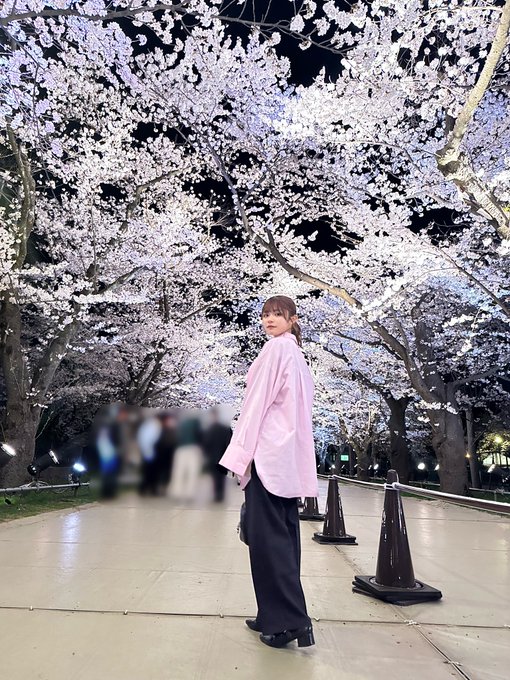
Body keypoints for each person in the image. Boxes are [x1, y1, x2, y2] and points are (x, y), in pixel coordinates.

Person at [219, 295, 318, 649]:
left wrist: (241, 455)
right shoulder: (297, 355)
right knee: (284, 538)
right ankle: (273, 614)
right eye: (265, 314)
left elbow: (255, 405)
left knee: (267, 542)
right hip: (287, 460)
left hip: (267, 456)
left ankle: (289, 622)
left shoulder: (275, 350)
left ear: (293, 318)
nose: (269, 320)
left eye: (277, 314)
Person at [203, 407, 232, 502]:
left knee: (215, 477)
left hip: (213, 456)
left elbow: (206, 443)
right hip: (223, 456)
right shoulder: (226, 428)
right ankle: (220, 494)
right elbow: (229, 442)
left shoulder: (209, 429)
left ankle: (217, 494)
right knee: (221, 477)